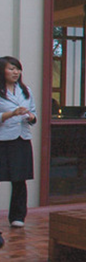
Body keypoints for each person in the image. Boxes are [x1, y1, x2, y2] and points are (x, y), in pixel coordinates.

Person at [0, 56, 37, 229]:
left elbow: (34, 113)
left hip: (22, 138)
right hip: (3, 139)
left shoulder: (25, 90)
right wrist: (12, 113)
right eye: (11, 69)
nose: (16, 72)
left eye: (18, 69)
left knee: (20, 179)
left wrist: (30, 117)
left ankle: (18, 216)